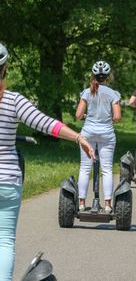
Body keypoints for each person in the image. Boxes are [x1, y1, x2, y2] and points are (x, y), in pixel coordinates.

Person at [0, 43, 95, 281]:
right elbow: (45, 123)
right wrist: (78, 137)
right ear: (5, 68)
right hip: (7, 180)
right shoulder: (13, 100)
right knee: (4, 241)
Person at [76, 61, 121, 213]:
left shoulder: (87, 92)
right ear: (107, 77)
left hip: (88, 133)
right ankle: (108, 205)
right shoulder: (113, 93)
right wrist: (107, 118)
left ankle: (81, 203)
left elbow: (78, 115)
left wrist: (88, 116)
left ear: (93, 75)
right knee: (107, 169)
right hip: (106, 134)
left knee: (85, 168)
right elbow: (117, 116)